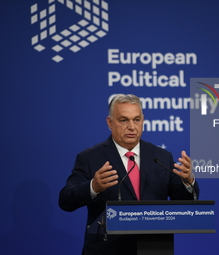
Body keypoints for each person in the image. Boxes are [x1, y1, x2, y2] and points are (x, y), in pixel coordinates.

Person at [59, 94, 199, 255]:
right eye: (124, 120)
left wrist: (188, 182)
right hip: (107, 250)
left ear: (143, 120)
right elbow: (65, 200)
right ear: (110, 123)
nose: (132, 126)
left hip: (154, 249)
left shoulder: (161, 157)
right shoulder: (90, 158)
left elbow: (184, 203)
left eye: (137, 119)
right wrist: (93, 186)